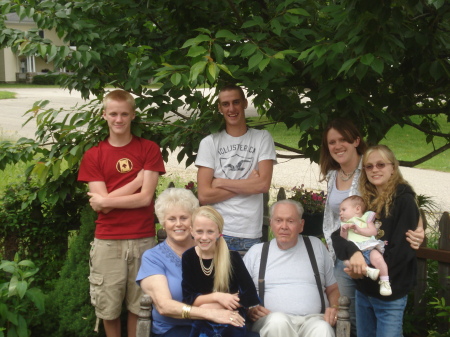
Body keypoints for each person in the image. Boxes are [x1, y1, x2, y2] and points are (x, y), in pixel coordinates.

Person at [319, 118, 425, 336]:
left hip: (387, 284)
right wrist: (352, 256)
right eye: (370, 167)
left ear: (393, 168)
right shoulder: (368, 195)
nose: (374, 169)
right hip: (354, 268)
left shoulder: (395, 195)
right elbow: (338, 229)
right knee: (355, 324)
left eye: (380, 165)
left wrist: (420, 224)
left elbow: (402, 242)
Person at [78, 89, 166, 337]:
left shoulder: (148, 149)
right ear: (104, 115)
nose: (119, 119)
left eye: (124, 114)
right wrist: (137, 180)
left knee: (140, 307)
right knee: (109, 310)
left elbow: (145, 199)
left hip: (143, 240)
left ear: (133, 116)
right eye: (114, 114)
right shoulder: (93, 155)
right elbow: (101, 206)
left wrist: (108, 199)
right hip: (108, 242)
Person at [136, 188, 256, 337]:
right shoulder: (153, 258)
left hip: (221, 326)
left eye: (184, 218)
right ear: (163, 223)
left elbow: (241, 291)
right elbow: (164, 306)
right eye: (172, 219)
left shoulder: (215, 250)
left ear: (193, 222)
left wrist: (250, 307)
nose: (178, 224)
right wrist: (210, 313)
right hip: (175, 330)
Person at [196, 84, 277, 251]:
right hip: (217, 232)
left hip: (250, 234)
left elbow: (262, 185)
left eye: (236, 102)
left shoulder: (262, 138)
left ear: (245, 103)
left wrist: (220, 182)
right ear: (220, 108)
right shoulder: (210, 143)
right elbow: (204, 195)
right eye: (225, 104)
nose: (231, 108)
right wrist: (248, 184)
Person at [243, 199, 340, 337]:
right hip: (270, 321)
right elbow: (240, 293)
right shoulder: (256, 252)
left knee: (322, 329)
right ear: (270, 223)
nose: (284, 226)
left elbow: (333, 288)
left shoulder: (316, 246)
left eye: (290, 221)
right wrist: (250, 309)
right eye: (278, 220)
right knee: (278, 321)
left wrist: (335, 307)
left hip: (313, 319)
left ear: (301, 225)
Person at [182, 206, 260, 337]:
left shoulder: (232, 258)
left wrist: (210, 306)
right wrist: (218, 297)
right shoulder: (189, 257)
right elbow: (188, 299)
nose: (204, 237)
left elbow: (250, 296)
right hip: (203, 318)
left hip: (231, 317)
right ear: (192, 231)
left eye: (210, 232)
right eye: (199, 231)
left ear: (219, 232)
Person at [339, 196, 390, 296]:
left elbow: (373, 231)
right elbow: (343, 239)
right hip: (355, 251)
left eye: (343, 209)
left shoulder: (365, 218)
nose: (340, 213)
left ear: (357, 209)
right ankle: (368, 270)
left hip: (368, 247)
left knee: (378, 258)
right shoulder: (344, 223)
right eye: (340, 210)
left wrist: (359, 230)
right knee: (345, 261)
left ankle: (385, 281)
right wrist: (343, 230)